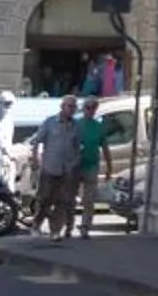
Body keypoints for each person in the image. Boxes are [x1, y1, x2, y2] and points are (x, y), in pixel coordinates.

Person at [36, 95, 83, 241]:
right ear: (62, 107)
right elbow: (37, 141)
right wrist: (36, 160)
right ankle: (36, 224)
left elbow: (78, 146)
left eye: (74, 107)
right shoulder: (50, 122)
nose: (71, 110)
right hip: (50, 167)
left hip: (67, 169)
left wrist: (75, 162)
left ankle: (55, 230)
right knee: (45, 198)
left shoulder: (75, 125)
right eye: (69, 106)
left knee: (62, 201)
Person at [72, 99, 112, 238]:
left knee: (89, 199)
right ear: (83, 109)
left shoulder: (98, 127)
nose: (89, 110)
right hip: (76, 165)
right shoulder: (76, 124)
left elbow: (105, 148)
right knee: (70, 197)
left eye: (92, 108)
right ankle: (68, 226)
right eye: (87, 107)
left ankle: (85, 227)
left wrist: (109, 168)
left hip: (92, 166)